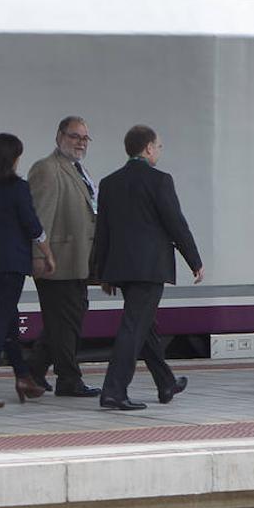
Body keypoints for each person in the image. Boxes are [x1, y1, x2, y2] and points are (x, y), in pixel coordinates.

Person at [93, 125, 201, 411]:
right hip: (150, 267)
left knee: (143, 325)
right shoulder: (159, 181)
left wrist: (102, 271)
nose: (160, 151)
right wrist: (195, 261)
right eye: (159, 146)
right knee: (133, 327)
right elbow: (176, 223)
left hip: (122, 267)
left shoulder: (109, 182)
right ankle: (114, 391)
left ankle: (166, 382)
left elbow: (102, 230)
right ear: (149, 148)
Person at [0, 133, 57, 409]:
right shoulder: (17, 187)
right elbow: (32, 225)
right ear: (12, 158)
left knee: (9, 319)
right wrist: (48, 254)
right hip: (10, 264)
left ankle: (23, 376)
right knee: (0, 321)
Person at [26, 117, 102, 398]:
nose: (80, 142)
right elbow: (39, 216)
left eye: (84, 138)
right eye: (74, 136)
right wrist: (38, 255)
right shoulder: (47, 169)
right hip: (56, 260)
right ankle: (68, 378)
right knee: (65, 321)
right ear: (59, 136)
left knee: (66, 318)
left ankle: (33, 371)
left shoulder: (78, 168)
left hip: (77, 260)